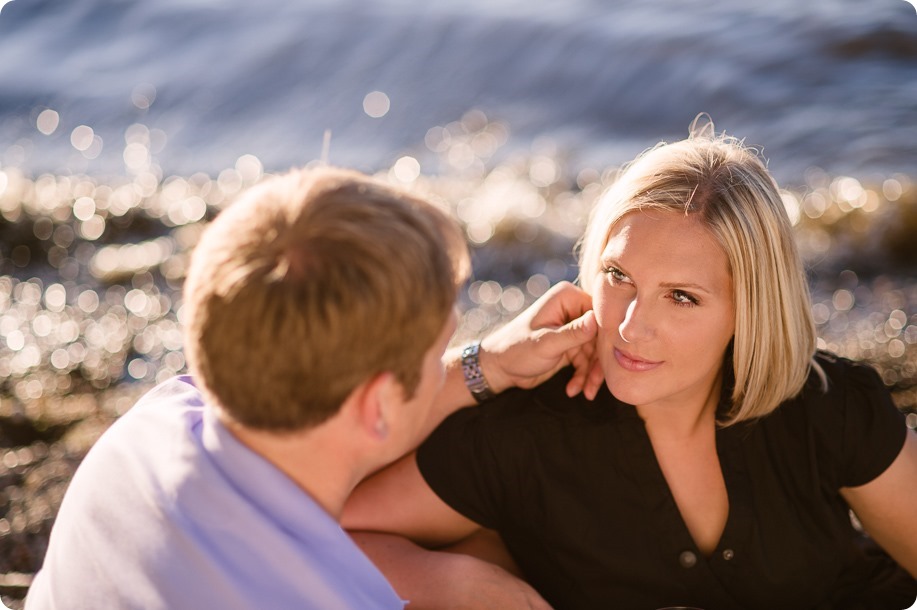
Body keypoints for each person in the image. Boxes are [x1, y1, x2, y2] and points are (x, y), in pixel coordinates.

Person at [342, 126, 917, 609]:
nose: (632, 326)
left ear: (750, 309)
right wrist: (467, 584)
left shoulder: (830, 405)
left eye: (682, 297)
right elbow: (322, 516)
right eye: (619, 277)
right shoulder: (527, 432)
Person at [24, 166, 599, 610]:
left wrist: (487, 364)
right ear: (375, 404)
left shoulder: (151, 429)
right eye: (440, 348)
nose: (450, 352)